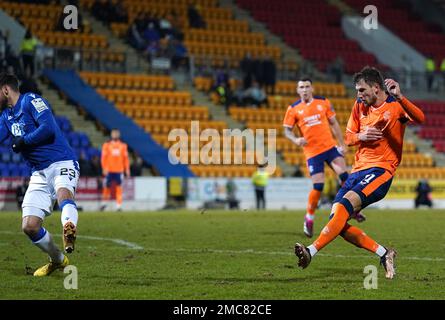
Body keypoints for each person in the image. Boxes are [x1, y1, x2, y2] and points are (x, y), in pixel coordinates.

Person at [294, 66, 425, 279]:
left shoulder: (395, 107)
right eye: (357, 91)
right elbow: (348, 138)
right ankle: (384, 253)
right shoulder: (359, 105)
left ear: (375, 88)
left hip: (381, 169)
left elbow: (420, 118)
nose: (359, 95)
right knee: (337, 218)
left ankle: (311, 251)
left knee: (344, 207)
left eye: (362, 90)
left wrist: (401, 97)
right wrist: (362, 136)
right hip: (357, 170)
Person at [0, 72, 80, 276]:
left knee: (63, 193)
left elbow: (49, 128)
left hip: (61, 161)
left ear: (5, 90)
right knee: (29, 226)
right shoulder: (6, 117)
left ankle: (69, 226)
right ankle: (59, 260)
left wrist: (24, 140)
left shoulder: (31, 100)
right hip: (39, 173)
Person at [283, 77, 365, 238]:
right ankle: (309, 217)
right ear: (297, 90)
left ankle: (352, 210)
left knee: (345, 177)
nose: (305, 89)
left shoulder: (323, 102)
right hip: (312, 152)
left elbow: (334, 123)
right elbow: (286, 130)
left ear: (312, 89)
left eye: (307, 86)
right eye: (302, 87)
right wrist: (295, 139)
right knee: (318, 186)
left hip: (330, 147)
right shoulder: (293, 109)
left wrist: (341, 144)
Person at [100, 128, 130, 211]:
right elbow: (103, 158)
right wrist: (104, 167)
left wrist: (127, 169)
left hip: (119, 170)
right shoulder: (107, 145)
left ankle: (118, 206)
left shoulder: (123, 146)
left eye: (117, 133)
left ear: (119, 134)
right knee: (106, 187)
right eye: (114, 133)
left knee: (119, 188)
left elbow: (126, 159)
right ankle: (104, 204)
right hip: (109, 170)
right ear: (111, 134)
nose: (115, 135)